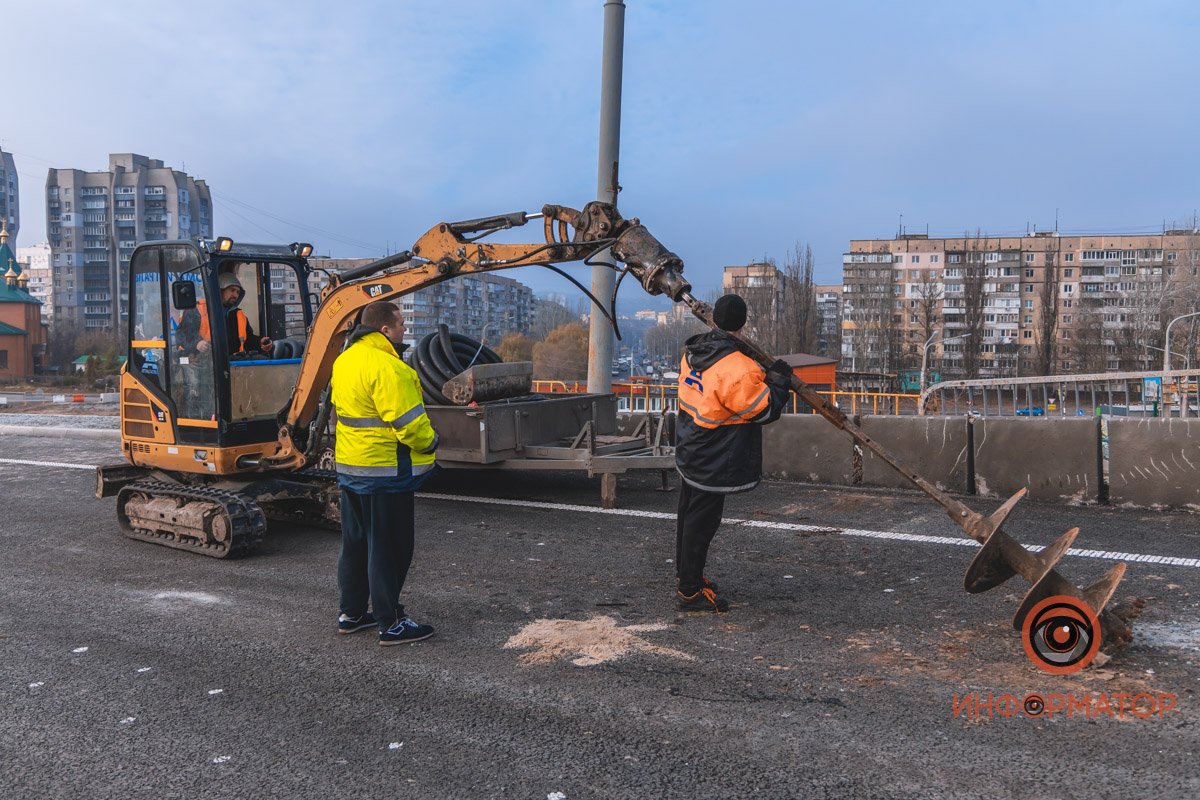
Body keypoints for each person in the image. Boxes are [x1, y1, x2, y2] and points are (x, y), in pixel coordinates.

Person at [673, 293, 792, 612]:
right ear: (742, 323)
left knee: (688, 515)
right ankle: (689, 591)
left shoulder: (694, 351)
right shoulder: (738, 367)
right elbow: (764, 410)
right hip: (715, 453)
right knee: (702, 523)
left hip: (690, 444)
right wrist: (779, 381)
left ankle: (687, 576)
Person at [330, 300, 439, 645]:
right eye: (400, 324)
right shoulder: (389, 368)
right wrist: (433, 440)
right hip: (385, 472)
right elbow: (409, 426)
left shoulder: (345, 360)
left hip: (352, 470)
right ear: (384, 330)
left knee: (356, 545)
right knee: (388, 548)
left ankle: (352, 613)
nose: (404, 329)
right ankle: (390, 623)